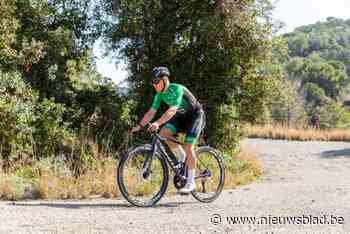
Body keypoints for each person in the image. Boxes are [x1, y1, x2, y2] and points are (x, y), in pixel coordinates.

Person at [131, 67, 206, 193]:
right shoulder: (159, 95)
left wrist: (157, 123)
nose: (154, 84)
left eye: (156, 81)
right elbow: (151, 112)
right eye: (152, 82)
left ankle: (191, 182)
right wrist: (139, 125)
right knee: (163, 133)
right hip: (181, 117)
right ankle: (181, 156)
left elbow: (172, 110)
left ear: (165, 80)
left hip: (195, 116)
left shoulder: (177, 89)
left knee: (188, 146)